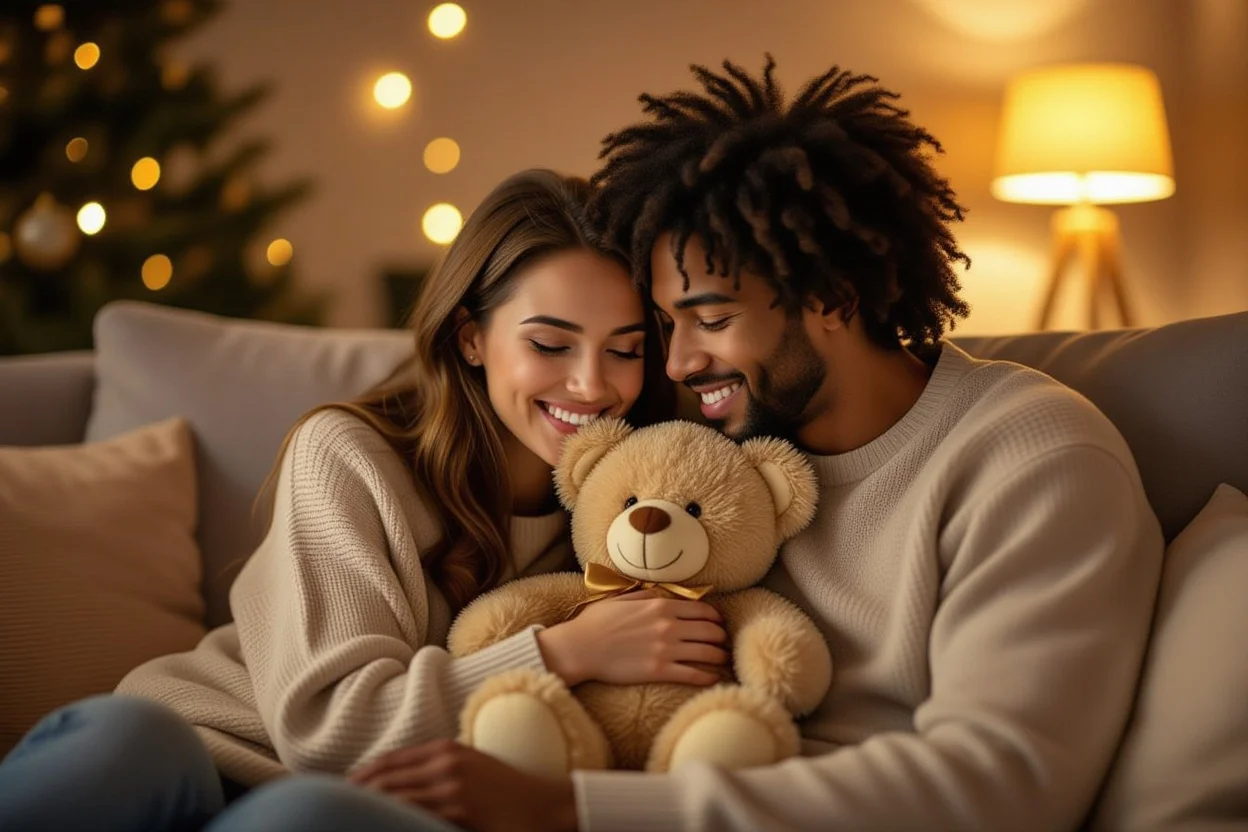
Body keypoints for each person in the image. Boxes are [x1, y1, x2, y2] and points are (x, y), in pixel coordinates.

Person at [310, 58, 1165, 832]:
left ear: (832, 296)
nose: (674, 363)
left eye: (711, 319)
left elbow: (1001, 783)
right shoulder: (708, 451)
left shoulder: (1033, 457)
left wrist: (576, 809)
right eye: (665, 326)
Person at [0, 169, 735, 832]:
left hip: (348, 809)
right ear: (472, 338)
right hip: (212, 744)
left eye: (624, 348)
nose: (591, 386)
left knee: (309, 816)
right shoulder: (352, 455)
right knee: (131, 741)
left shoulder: (647, 501)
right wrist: (566, 650)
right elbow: (328, 728)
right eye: (550, 344)